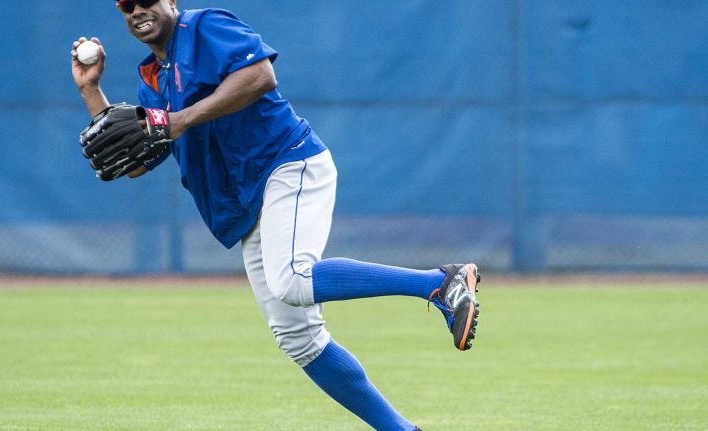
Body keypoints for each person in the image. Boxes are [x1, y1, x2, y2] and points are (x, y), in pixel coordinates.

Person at [70, 1, 481, 429]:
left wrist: (180, 119)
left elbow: (260, 75)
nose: (138, 10)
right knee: (299, 340)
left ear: (170, 1)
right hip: (247, 202)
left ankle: (440, 282)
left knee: (293, 279)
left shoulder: (204, 27)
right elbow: (135, 160)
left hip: (287, 164)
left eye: (147, 0)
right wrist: (90, 91)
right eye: (126, 5)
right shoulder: (153, 80)